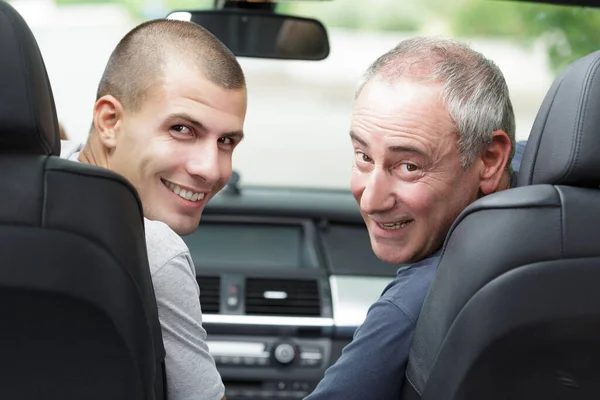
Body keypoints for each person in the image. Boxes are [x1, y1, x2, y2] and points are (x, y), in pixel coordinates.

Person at [305, 36, 522, 399]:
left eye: (408, 166)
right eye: (363, 156)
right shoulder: (549, 187)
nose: (370, 200)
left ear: (490, 159)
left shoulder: (416, 304)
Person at [61, 18, 247, 400]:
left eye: (226, 141)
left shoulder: (28, 190)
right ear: (109, 121)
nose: (211, 169)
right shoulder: (151, 249)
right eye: (182, 129)